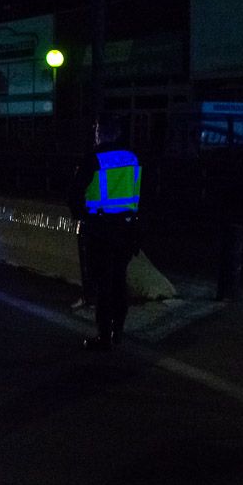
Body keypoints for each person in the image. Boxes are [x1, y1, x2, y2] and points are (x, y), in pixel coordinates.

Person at [67, 114, 142, 351]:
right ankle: (118, 330)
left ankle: (104, 335)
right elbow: (142, 195)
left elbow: (75, 194)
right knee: (119, 280)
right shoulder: (132, 158)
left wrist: (82, 217)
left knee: (103, 283)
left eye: (97, 131)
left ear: (101, 134)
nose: (95, 135)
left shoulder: (93, 159)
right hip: (126, 228)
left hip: (99, 230)